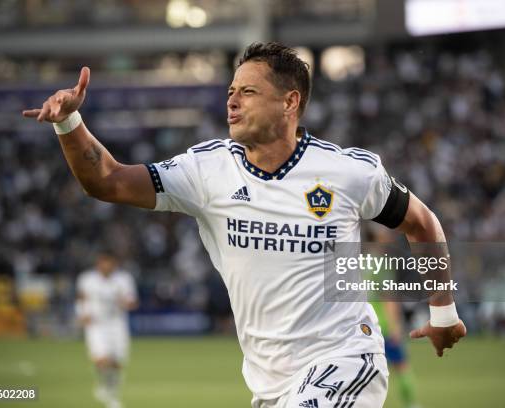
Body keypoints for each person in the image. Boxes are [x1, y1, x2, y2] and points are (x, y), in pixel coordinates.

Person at [23, 42, 466, 408]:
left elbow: (421, 224)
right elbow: (110, 181)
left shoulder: (349, 172)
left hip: (346, 356)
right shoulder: (205, 170)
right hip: (269, 382)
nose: (231, 101)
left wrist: (443, 312)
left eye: (248, 92)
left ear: (290, 101)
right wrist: (69, 122)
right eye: (231, 91)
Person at [75, 252, 138, 408]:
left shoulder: (124, 279)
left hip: (117, 324)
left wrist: (125, 302)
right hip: (96, 324)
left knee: (117, 363)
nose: (106, 267)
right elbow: (81, 298)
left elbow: (132, 302)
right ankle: (110, 395)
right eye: (104, 263)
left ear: (114, 265)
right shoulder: (87, 279)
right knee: (102, 359)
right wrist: (82, 314)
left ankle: (109, 388)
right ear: (98, 264)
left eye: (110, 264)